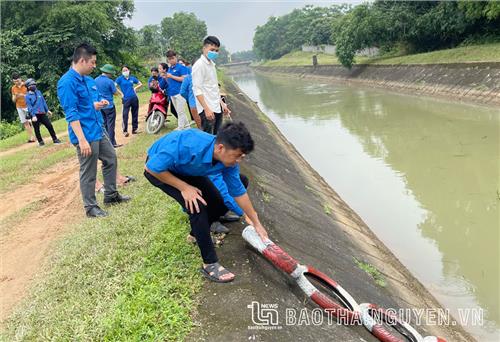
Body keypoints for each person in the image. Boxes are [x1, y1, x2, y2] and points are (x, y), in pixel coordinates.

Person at [144, 122, 269, 283]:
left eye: (241, 157)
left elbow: (237, 190)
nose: (238, 160)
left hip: (188, 170)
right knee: (197, 204)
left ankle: (195, 235)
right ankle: (209, 264)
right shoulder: (188, 145)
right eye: (237, 155)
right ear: (220, 148)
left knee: (217, 202)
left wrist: (255, 221)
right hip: (161, 170)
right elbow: (151, 167)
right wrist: (184, 187)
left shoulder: (228, 162)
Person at [57, 43, 131, 218]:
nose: (94, 65)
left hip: (98, 128)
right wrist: (81, 140)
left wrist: (97, 105)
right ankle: (90, 207)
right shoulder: (66, 83)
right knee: (88, 171)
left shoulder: (89, 80)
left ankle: (111, 195)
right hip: (85, 134)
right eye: (93, 62)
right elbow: (71, 113)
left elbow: (87, 105)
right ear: (82, 60)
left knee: (111, 158)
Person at [192, 36, 231, 135]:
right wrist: (207, 109)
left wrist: (222, 104)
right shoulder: (199, 65)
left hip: (217, 107)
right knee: (208, 138)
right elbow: (197, 90)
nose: (214, 52)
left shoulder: (212, 65)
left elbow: (213, 88)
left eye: (217, 50)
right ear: (204, 48)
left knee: (216, 137)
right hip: (207, 110)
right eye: (212, 49)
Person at [24, 79, 62, 146]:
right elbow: (29, 107)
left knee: (49, 125)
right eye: (32, 85)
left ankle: (55, 139)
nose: (34, 86)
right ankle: (40, 142)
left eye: (34, 84)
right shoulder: (27, 96)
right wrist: (33, 116)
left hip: (42, 113)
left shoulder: (38, 92)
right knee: (37, 129)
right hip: (35, 115)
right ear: (28, 87)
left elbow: (43, 102)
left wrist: (47, 110)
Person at [95, 64, 124, 148]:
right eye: (111, 73)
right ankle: (112, 143)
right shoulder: (109, 81)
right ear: (108, 73)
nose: (111, 75)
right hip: (109, 106)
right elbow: (115, 92)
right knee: (111, 125)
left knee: (104, 125)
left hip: (100, 106)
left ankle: (107, 143)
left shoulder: (95, 80)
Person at [165, 50, 191, 130]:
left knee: (180, 111)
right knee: (178, 111)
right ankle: (187, 126)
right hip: (172, 93)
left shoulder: (181, 67)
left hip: (180, 92)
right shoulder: (169, 69)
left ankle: (180, 127)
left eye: (172, 58)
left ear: (176, 57)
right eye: (169, 59)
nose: (171, 60)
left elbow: (184, 79)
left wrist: (172, 76)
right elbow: (169, 80)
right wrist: (166, 78)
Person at [115, 65, 142, 137]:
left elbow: (140, 84)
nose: (125, 72)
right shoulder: (119, 79)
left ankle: (135, 129)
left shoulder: (132, 78)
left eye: (126, 70)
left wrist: (135, 88)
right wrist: (121, 93)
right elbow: (114, 86)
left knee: (135, 113)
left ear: (129, 70)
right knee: (125, 115)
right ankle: (125, 130)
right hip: (126, 99)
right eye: (123, 70)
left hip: (134, 98)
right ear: (121, 72)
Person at [11, 73, 35, 143]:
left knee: (32, 121)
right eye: (14, 81)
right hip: (19, 107)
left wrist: (23, 95)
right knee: (25, 122)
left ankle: (36, 135)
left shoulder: (27, 85)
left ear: (20, 79)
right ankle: (31, 137)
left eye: (17, 81)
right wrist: (15, 96)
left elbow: (32, 95)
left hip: (28, 105)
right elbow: (13, 100)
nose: (16, 82)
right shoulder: (13, 88)